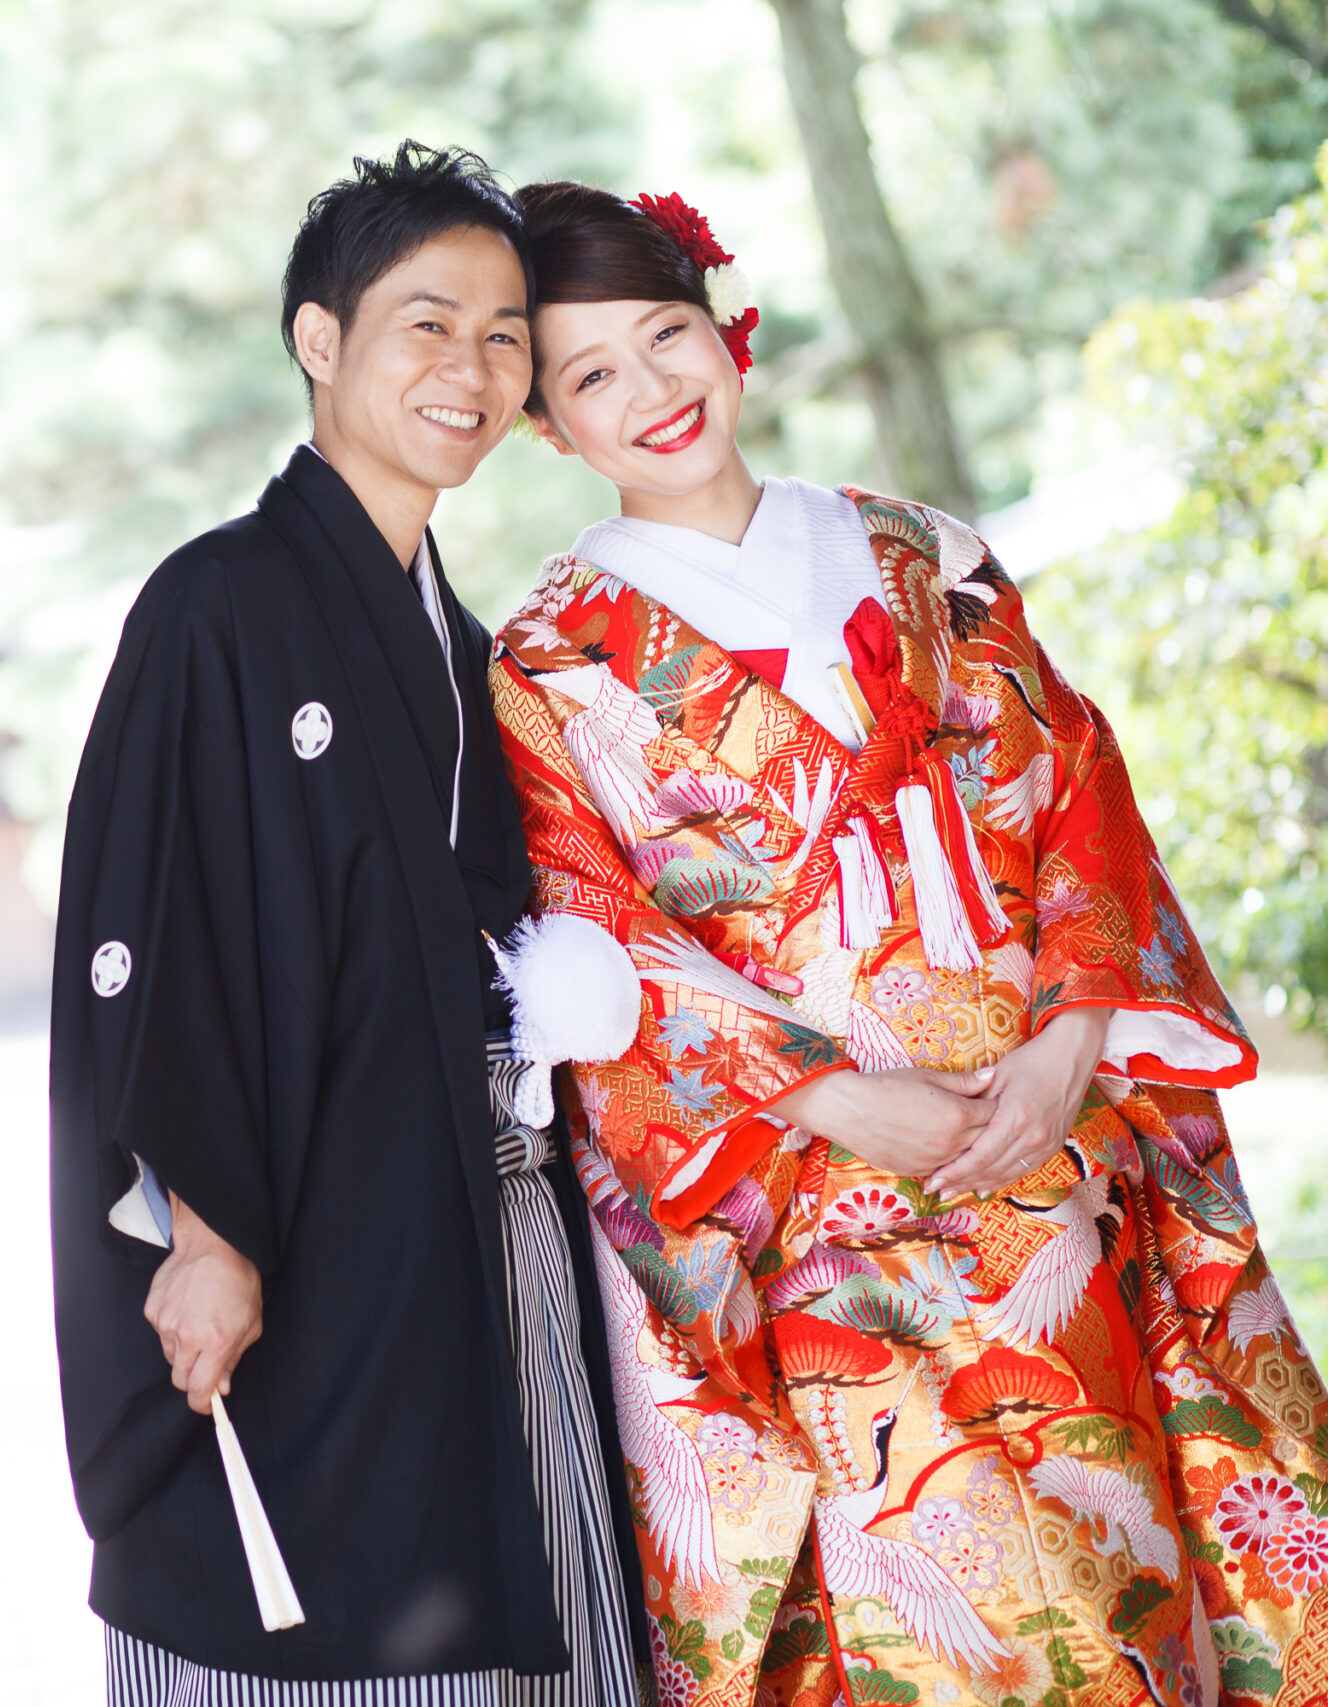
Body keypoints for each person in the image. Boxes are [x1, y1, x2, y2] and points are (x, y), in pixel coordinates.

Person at [488, 177, 1328, 1707]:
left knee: (1121, 1590)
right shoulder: (547, 663)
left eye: (664, 336)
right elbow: (597, 934)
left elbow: (1074, 782)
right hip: (815, 1225)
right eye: (589, 376)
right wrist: (820, 1095)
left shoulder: (917, 553)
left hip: (1034, 1159)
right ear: (548, 427)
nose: (648, 392)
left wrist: (1075, 1038)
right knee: (939, 1632)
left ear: (725, 327)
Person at [49, 140, 647, 1706]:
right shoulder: (217, 603)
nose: (473, 366)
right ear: (321, 343)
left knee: (514, 1609)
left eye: (506, 332)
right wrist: (208, 1226)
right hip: (301, 1242)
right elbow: (142, 930)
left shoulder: (461, 636)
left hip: (478, 1234)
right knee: (329, 1616)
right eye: (426, 323)